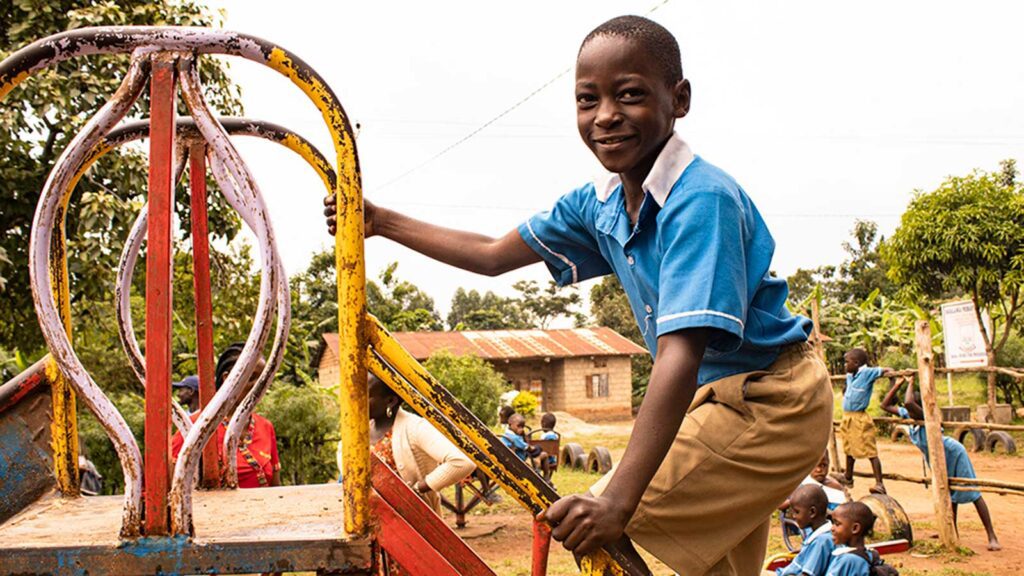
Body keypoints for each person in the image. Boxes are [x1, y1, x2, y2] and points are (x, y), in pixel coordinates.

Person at [324, 15, 831, 574]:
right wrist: (381, 220)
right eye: (588, 100)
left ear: (679, 99)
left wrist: (616, 503)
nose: (606, 116)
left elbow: (680, 355)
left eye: (630, 95)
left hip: (771, 401)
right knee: (711, 565)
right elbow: (493, 255)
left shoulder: (700, 199)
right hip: (716, 400)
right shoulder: (602, 203)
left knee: (604, 520)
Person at [880, 379, 1000, 551]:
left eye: (910, 407)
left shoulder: (926, 415)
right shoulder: (908, 416)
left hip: (953, 453)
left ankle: (992, 536)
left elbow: (908, 402)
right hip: (936, 457)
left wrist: (912, 381)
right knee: (948, 493)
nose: (907, 409)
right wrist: (898, 384)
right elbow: (885, 406)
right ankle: (952, 531)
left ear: (918, 407)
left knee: (973, 493)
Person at [337, 373, 475, 513]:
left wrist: (418, 489)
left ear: (390, 401)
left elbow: (462, 462)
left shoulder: (415, 428)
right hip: (370, 520)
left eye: (366, 395)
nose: (356, 399)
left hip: (413, 521)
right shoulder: (357, 431)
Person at [171, 344, 281, 488]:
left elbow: (275, 488)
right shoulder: (195, 427)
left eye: (263, 380)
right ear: (228, 378)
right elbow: (174, 489)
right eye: (252, 378)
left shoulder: (265, 427)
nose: (259, 387)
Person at [839, 349, 891, 494]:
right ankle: (848, 477)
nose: (845, 365)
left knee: (870, 449)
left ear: (856, 363)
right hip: (847, 416)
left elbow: (886, 370)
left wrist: (892, 379)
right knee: (848, 447)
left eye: (847, 362)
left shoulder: (868, 373)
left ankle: (879, 483)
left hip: (859, 417)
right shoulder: (850, 375)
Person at [776, 485, 834, 576]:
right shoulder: (819, 533)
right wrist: (804, 552)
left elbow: (807, 574)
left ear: (812, 512)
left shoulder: (821, 541)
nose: (794, 516)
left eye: (796, 512)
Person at [827, 502, 886, 576]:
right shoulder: (870, 554)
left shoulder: (847, 560)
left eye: (837, 524)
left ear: (855, 528)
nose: (832, 528)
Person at [500, 412, 553, 478]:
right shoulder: (514, 437)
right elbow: (528, 448)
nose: (521, 429)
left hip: (515, 460)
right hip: (520, 464)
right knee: (543, 454)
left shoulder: (506, 435)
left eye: (522, 427)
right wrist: (536, 448)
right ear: (510, 424)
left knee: (541, 454)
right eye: (518, 426)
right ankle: (545, 479)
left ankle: (545, 478)